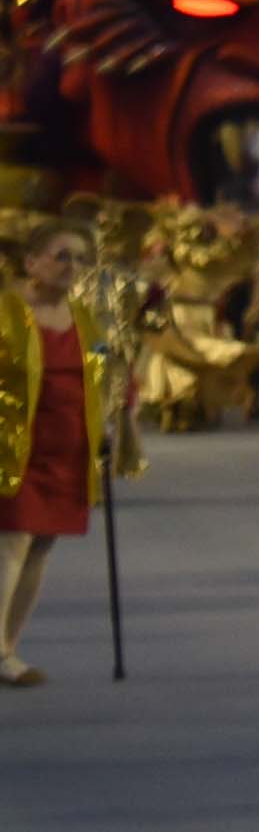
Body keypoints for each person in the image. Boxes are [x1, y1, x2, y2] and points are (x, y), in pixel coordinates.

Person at [3, 218, 94, 685]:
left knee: (41, 543)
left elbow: (102, 371)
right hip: (15, 445)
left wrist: (117, 422)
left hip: (68, 446)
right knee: (13, 540)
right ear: (32, 262)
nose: (72, 266)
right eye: (62, 256)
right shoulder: (6, 312)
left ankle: (9, 648)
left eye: (80, 259)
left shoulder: (84, 316)